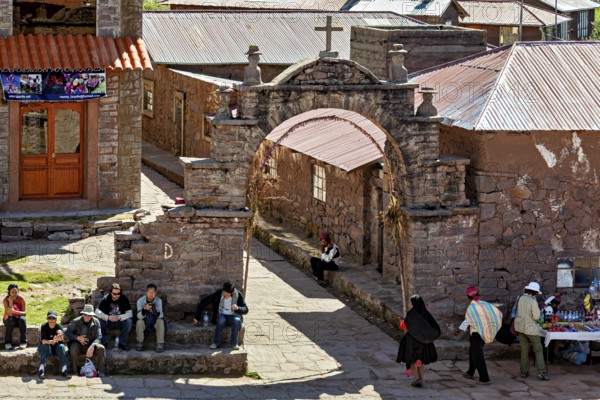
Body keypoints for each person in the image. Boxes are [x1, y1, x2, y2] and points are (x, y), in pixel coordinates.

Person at [454, 286, 502, 385]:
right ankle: (470, 372)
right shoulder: (484, 304)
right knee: (473, 352)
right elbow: (496, 312)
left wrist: (459, 330)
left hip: (476, 334)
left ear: (468, 296)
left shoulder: (471, 307)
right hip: (484, 332)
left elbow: (468, 320)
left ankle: (484, 378)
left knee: (478, 356)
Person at [396, 295, 441, 388]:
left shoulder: (411, 314)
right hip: (424, 343)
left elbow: (405, 326)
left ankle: (416, 378)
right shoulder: (427, 314)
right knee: (420, 361)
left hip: (412, 342)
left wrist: (401, 322)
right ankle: (421, 378)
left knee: (412, 361)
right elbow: (433, 327)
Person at [193, 282, 248, 350]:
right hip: (222, 314)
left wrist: (238, 308)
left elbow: (246, 309)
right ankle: (216, 343)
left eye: (227, 293)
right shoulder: (219, 294)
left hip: (233, 315)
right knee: (221, 320)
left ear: (232, 292)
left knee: (237, 321)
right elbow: (205, 301)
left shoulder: (238, 295)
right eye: (224, 292)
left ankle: (234, 344)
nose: (225, 294)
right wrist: (197, 317)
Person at [514, 281, 549, 380]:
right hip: (531, 328)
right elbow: (537, 317)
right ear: (535, 292)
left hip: (520, 327)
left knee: (524, 350)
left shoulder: (520, 298)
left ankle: (524, 371)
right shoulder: (533, 302)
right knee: (538, 350)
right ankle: (541, 372)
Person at [65, 304, 106, 377]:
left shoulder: (96, 322)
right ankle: (74, 371)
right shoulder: (75, 322)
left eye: (89, 315)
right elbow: (67, 333)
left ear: (92, 316)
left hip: (91, 344)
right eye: (85, 314)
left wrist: (93, 345)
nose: (87, 317)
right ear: (83, 314)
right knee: (73, 348)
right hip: (78, 344)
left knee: (101, 348)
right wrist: (77, 337)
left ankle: (101, 371)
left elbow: (99, 336)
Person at [95, 283, 133, 351]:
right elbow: (97, 312)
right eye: (114, 294)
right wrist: (108, 317)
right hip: (108, 322)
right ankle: (104, 343)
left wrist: (120, 317)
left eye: (118, 294)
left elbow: (130, 313)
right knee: (99, 321)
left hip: (120, 321)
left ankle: (123, 344)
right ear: (110, 293)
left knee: (129, 321)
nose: (117, 296)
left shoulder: (124, 298)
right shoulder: (105, 299)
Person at [37, 310, 70, 380]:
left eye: (53, 318)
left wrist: (60, 336)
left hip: (55, 347)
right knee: (46, 346)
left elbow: (61, 341)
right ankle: (41, 369)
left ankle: (64, 369)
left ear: (56, 320)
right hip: (44, 347)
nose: (51, 320)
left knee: (61, 347)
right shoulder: (44, 326)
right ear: (47, 319)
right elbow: (43, 341)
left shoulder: (59, 327)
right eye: (50, 318)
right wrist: (51, 341)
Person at [135, 283, 166, 353]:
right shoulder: (140, 301)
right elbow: (139, 317)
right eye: (149, 292)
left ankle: (160, 343)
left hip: (154, 321)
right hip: (145, 322)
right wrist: (144, 309)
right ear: (146, 292)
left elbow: (161, 315)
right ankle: (140, 342)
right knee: (139, 322)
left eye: (153, 292)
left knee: (161, 321)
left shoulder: (158, 301)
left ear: (156, 293)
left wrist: (153, 311)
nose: (151, 294)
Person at [3, 283, 27, 350]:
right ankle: (7, 343)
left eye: (16, 292)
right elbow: (9, 314)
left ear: (18, 291)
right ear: (9, 292)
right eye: (12, 292)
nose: (14, 294)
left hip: (18, 318)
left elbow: (25, 313)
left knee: (22, 320)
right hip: (8, 318)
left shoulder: (21, 299)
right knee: (10, 320)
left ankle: (23, 342)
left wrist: (14, 311)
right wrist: (10, 302)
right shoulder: (5, 300)